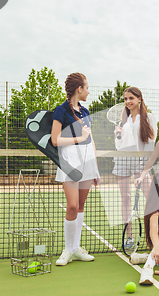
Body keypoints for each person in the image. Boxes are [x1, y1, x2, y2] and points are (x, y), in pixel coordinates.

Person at [51, 72, 100, 266]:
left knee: (80, 206)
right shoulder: (61, 111)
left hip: (87, 161)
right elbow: (55, 140)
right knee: (71, 206)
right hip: (69, 163)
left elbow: (91, 139)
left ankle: (76, 248)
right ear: (79, 89)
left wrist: (94, 166)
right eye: (87, 87)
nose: (88, 91)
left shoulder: (86, 112)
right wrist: (78, 139)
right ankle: (67, 249)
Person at [112, 87, 157, 249]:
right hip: (122, 160)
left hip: (141, 162)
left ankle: (156, 232)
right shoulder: (122, 121)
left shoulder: (149, 118)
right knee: (125, 198)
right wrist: (118, 135)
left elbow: (151, 143)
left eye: (131, 98)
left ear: (139, 99)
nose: (128, 102)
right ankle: (129, 235)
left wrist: (144, 169)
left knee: (150, 198)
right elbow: (118, 146)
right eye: (125, 99)